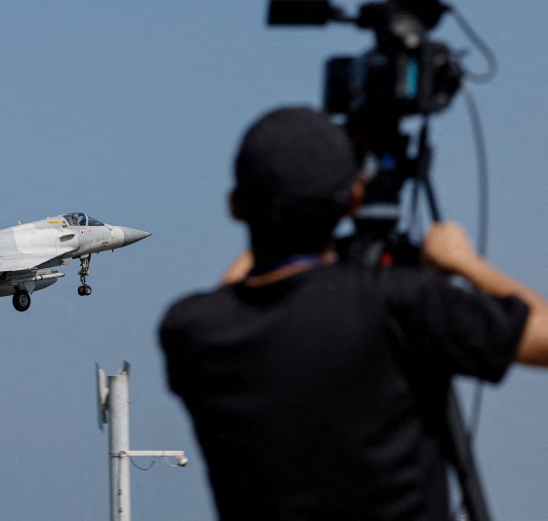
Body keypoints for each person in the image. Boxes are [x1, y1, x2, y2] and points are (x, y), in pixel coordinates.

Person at [159, 106, 548, 521]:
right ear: (354, 199)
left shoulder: (192, 332)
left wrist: (283, 197)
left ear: (236, 206)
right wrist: (464, 262)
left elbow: (237, 293)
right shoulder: (399, 305)